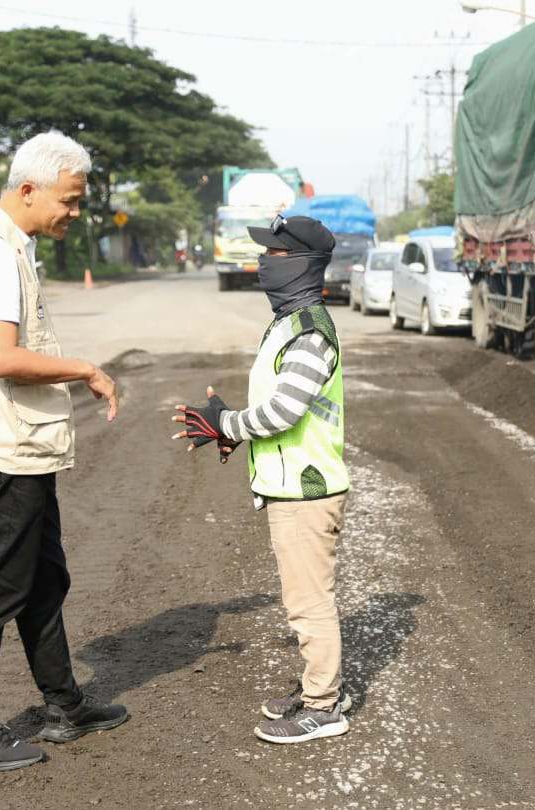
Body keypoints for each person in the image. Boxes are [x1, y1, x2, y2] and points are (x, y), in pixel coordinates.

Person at [0, 132, 128, 772]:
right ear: (30, 188)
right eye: (69, 201)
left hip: (21, 445)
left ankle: (64, 704)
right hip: (0, 448)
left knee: (43, 580)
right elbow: (3, 357)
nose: (74, 212)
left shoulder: (17, 244)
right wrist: (86, 369)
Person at [172, 214, 351, 745]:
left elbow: (282, 413)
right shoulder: (288, 323)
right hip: (289, 486)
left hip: (307, 490)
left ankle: (324, 706)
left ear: (298, 264)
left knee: (309, 600)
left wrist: (226, 424)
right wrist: (233, 432)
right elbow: (273, 412)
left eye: (271, 257)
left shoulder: (311, 332)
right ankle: (317, 688)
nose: (260, 266)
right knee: (302, 595)